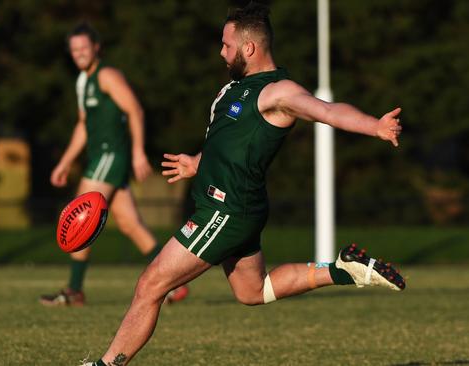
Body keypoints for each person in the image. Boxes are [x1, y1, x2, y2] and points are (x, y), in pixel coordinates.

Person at [81, 3, 405, 365]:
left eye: (226, 44)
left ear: (249, 48)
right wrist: (196, 163)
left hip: (227, 210)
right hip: (232, 207)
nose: (221, 51)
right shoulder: (234, 90)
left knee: (150, 285)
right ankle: (342, 269)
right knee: (253, 291)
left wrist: (373, 126)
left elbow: (327, 111)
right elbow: (228, 143)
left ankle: (106, 364)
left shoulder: (277, 92)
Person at [40, 23, 189, 307]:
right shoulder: (83, 82)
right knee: (130, 223)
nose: (79, 53)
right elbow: (84, 125)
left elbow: (135, 109)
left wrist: (137, 153)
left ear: (96, 47)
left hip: (111, 155)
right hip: (103, 157)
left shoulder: (106, 75)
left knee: (80, 215)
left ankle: (74, 290)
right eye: (74, 50)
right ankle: (175, 284)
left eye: (84, 47)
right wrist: (64, 162)